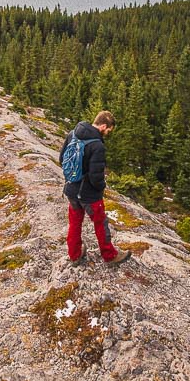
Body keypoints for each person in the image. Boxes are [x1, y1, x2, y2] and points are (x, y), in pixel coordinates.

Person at [60, 111, 131, 267]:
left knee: (75, 223)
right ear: (103, 126)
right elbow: (95, 177)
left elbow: (61, 159)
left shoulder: (73, 133)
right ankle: (109, 255)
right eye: (108, 131)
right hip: (89, 195)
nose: (107, 133)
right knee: (100, 223)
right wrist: (101, 187)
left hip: (71, 189)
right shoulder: (97, 145)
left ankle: (74, 255)